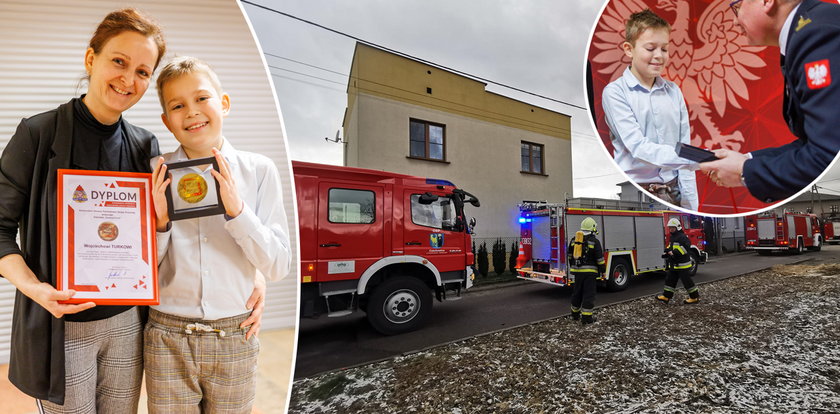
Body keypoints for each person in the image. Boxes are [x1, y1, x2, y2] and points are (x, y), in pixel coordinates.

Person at [0, 9, 164, 412]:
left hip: (127, 324)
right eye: (119, 61)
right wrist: (36, 289)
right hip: (63, 326)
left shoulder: (146, 146)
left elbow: (161, 236)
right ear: (91, 59)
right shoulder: (39, 134)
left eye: (143, 72)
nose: (129, 80)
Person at [146, 56, 291, 413]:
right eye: (177, 105)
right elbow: (138, 267)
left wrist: (239, 213)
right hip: (167, 335)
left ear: (224, 103)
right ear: (166, 120)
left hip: (236, 335)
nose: (191, 112)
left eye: (201, 98)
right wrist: (161, 222)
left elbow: (278, 265)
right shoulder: (152, 173)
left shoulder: (258, 171)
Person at [701, 0, 840, 202]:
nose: (733, 21)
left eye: (737, 8)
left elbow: (827, 156)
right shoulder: (811, 27)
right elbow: (813, 144)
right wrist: (747, 160)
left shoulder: (817, 36)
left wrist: (743, 171)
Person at [602, 9, 699, 211]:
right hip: (640, 197)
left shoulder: (674, 92)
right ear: (629, 49)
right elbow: (638, 147)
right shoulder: (615, 93)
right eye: (650, 48)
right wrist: (701, 160)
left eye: (664, 49)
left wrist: (690, 206)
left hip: (675, 191)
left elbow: (684, 146)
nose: (659, 56)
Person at [567, 217, 606, 325]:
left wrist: (574, 267)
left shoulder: (574, 240)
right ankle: (586, 318)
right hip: (590, 273)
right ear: (592, 228)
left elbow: (570, 256)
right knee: (589, 294)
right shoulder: (594, 241)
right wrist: (603, 271)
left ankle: (575, 315)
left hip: (577, 272)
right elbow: (600, 260)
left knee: (577, 293)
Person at [656, 218, 699, 304]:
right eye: (670, 227)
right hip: (675, 264)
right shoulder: (673, 237)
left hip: (682, 265)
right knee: (670, 280)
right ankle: (666, 296)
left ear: (678, 227)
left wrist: (674, 252)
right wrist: (667, 251)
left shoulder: (682, 237)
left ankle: (694, 298)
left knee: (687, 282)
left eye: (673, 227)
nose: (671, 229)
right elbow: (671, 247)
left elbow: (686, 248)